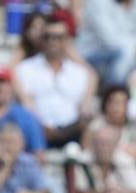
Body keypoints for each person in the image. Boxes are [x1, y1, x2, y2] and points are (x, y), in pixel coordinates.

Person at [14, 18, 96, 147]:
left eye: (58, 37)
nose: (52, 42)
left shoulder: (79, 72)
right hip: (37, 132)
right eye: (47, 37)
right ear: (41, 39)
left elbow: (83, 109)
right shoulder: (25, 69)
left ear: (67, 40)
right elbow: (26, 105)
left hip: (72, 133)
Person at [75, 123, 136, 193]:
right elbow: (76, 192)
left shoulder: (125, 160)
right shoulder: (82, 160)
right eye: (99, 142)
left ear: (115, 145)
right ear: (93, 144)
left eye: (107, 143)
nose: (102, 147)